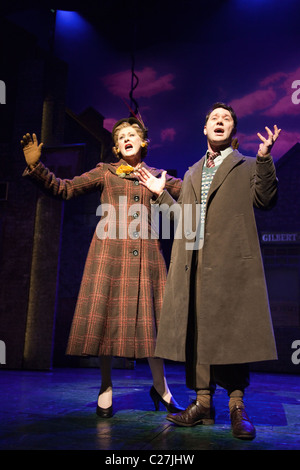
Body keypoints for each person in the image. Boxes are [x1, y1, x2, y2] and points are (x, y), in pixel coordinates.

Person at [21, 116, 183, 418]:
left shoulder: (158, 175)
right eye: (121, 136)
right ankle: (106, 386)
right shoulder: (105, 173)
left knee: (153, 325)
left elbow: (190, 196)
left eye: (132, 134)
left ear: (144, 142)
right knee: (107, 319)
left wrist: (211, 173)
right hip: (109, 254)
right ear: (116, 147)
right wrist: (38, 168)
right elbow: (64, 189)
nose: (126, 138)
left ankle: (162, 388)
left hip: (147, 255)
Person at [137, 103, 281, 440]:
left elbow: (265, 199)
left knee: (233, 333)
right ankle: (202, 403)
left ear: (233, 130)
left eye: (226, 118)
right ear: (205, 129)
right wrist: (160, 196)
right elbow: (185, 223)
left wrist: (264, 159)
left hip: (232, 263)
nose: (219, 122)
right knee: (197, 332)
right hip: (196, 264)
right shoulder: (190, 173)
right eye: (214, 118)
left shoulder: (247, 165)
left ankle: (236, 406)